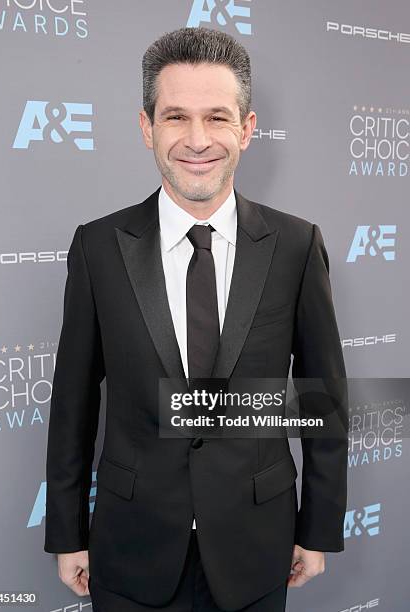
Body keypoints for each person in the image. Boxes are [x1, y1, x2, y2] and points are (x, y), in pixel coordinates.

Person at [44, 26, 348, 612]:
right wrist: (65, 532)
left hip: (257, 545)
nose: (198, 139)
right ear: (146, 127)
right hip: (130, 545)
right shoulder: (98, 247)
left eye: (218, 117)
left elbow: (321, 400)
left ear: (248, 129)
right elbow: (72, 402)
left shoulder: (295, 245)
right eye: (176, 117)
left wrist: (319, 526)